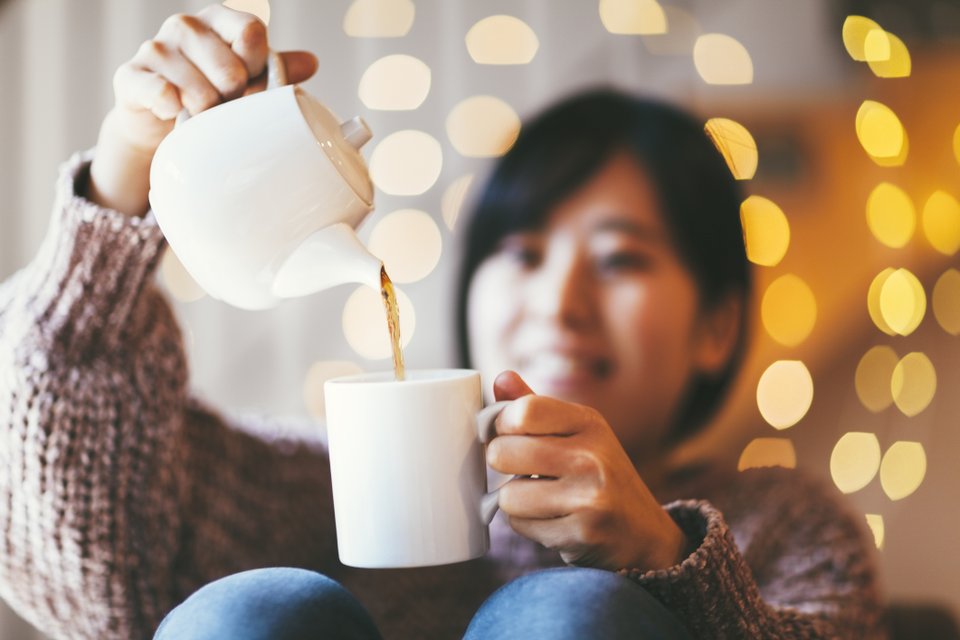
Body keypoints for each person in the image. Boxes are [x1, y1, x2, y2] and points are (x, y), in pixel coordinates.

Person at [0, 5, 887, 639]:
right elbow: (94, 559)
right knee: (253, 611)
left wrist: (663, 560)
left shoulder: (784, 529)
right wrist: (125, 177)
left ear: (717, 330)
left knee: (567, 615)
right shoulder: (313, 493)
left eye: (620, 259)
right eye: (523, 254)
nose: (558, 302)